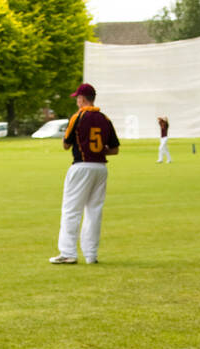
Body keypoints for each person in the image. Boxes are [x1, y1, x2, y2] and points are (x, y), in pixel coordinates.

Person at [50, 83, 119, 265]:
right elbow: (114, 149)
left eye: (77, 99)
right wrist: (98, 151)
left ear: (82, 99)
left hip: (81, 166)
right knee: (94, 211)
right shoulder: (105, 118)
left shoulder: (78, 117)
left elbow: (66, 145)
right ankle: (91, 254)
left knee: (71, 210)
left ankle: (68, 252)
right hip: (101, 168)